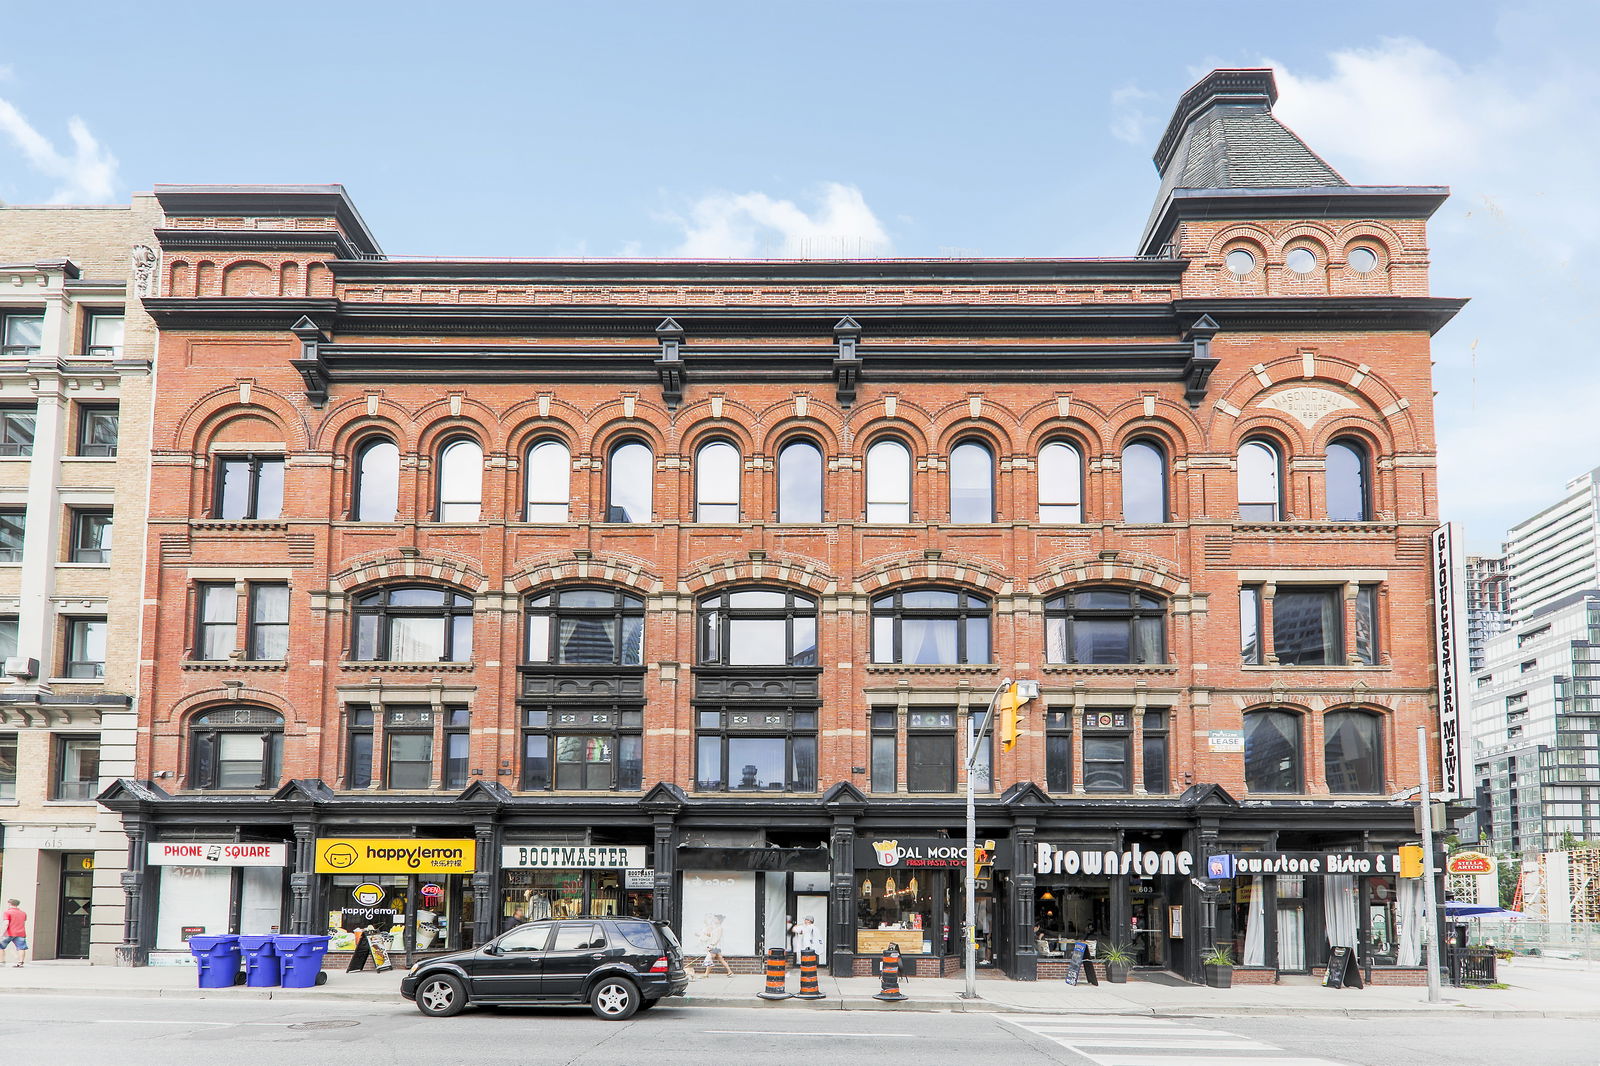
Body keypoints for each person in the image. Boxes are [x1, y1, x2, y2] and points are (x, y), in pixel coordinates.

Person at [1, 899, 25, 967]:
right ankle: (20, 963)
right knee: (21, 948)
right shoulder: (23, 913)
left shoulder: (7, 912)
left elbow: (6, 923)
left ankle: (1, 962)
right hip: (21, 933)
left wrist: (1, 934)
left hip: (9, 933)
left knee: (0, 946)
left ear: (9, 904)